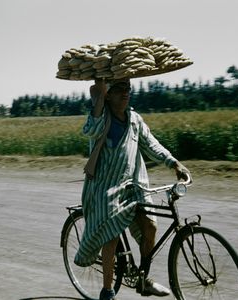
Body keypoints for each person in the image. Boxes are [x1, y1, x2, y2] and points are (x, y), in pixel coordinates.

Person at [74, 78, 190, 300]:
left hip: (134, 185)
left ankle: (143, 280)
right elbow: (90, 129)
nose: (125, 94)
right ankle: (107, 291)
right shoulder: (102, 118)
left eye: (128, 89)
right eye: (119, 90)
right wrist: (98, 95)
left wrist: (174, 164)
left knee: (150, 227)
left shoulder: (135, 120)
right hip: (105, 187)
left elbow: (152, 145)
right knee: (111, 232)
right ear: (108, 94)